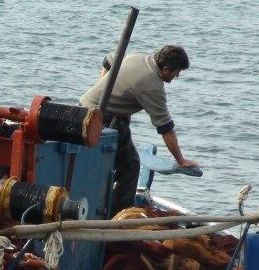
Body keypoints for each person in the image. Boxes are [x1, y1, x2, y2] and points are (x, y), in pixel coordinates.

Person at [79, 45, 199, 217]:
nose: (177, 75)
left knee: (110, 162)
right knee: (130, 166)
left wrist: (103, 87)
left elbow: (108, 60)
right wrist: (181, 160)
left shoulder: (138, 57)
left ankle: (107, 204)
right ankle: (120, 218)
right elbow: (165, 127)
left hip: (83, 110)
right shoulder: (152, 85)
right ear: (166, 69)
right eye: (177, 72)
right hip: (103, 121)